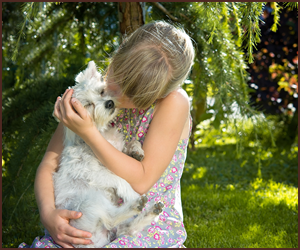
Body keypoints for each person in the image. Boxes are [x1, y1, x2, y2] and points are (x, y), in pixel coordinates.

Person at [19, 20, 195, 248]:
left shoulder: (174, 103)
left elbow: (141, 180)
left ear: (159, 94)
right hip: (89, 219)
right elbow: (50, 164)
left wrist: (89, 133)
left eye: (132, 94)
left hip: (143, 227)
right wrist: (48, 214)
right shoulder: (92, 93)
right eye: (117, 77)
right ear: (119, 53)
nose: (115, 94)